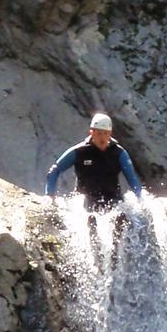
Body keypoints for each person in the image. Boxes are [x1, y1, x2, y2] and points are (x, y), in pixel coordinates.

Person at [45, 113, 142, 266]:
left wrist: (140, 199)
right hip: (87, 201)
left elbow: (132, 179)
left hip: (113, 200)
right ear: (91, 132)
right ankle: (96, 259)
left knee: (120, 218)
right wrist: (49, 196)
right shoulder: (80, 152)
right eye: (98, 133)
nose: (102, 138)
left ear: (110, 134)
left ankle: (114, 259)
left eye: (106, 133)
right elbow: (54, 171)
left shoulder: (118, 153)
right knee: (90, 220)